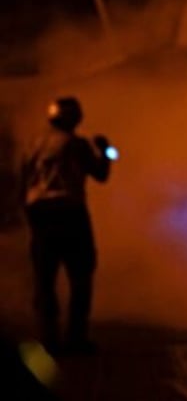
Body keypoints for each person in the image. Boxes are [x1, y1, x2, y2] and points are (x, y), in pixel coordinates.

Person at [19, 97, 112, 355]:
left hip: (40, 215)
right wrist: (105, 151)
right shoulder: (76, 145)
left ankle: (48, 338)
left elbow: (22, 181)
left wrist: (26, 213)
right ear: (74, 119)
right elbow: (101, 174)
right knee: (81, 275)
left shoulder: (32, 144)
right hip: (70, 215)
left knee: (44, 279)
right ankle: (76, 338)